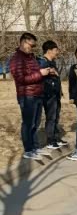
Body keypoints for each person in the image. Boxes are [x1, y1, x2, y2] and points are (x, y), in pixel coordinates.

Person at [9, 32, 55, 160]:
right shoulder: (17, 59)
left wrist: (46, 72)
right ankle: (28, 150)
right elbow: (21, 79)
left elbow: (34, 73)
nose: (32, 48)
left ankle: (35, 147)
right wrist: (40, 73)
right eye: (31, 45)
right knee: (28, 123)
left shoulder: (31, 57)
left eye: (34, 46)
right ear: (23, 42)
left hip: (37, 93)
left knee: (35, 123)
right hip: (27, 96)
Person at [38, 40, 67, 150]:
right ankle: (50, 140)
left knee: (56, 116)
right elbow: (39, 76)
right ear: (49, 50)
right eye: (55, 50)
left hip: (55, 94)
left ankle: (56, 138)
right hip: (48, 95)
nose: (57, 52)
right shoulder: (42, 62)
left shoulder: (52, 62)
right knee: (51, 117)